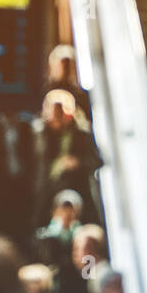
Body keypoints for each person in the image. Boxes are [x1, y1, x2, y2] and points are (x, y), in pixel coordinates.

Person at [34, 90, 100, 226]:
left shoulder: (82, 134)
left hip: (78, 192)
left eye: (59, 114)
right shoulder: (41, 135)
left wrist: (77, 162)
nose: (54, 119)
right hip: (49, 192)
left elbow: (97, 160)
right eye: (52, 114)